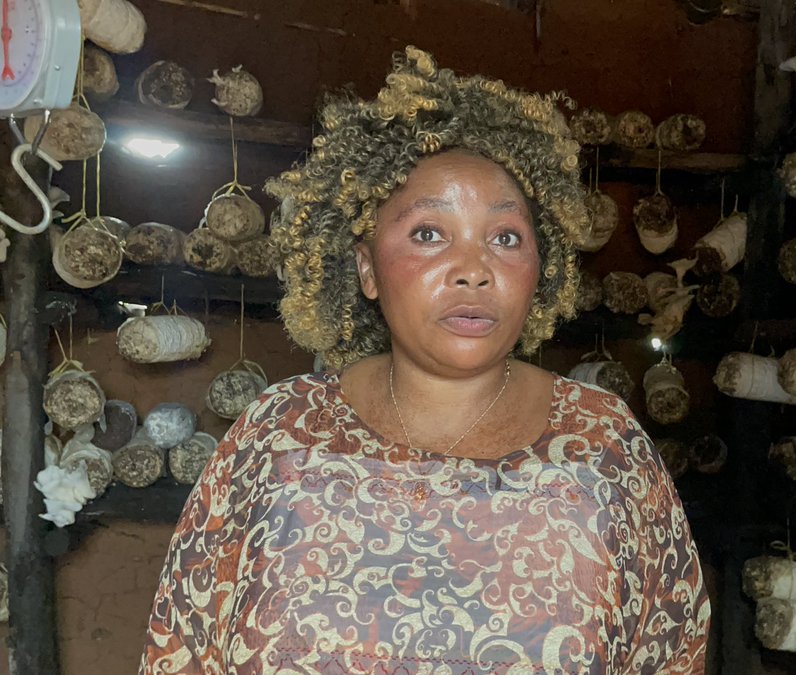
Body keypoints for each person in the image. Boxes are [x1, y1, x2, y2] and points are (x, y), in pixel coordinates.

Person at [140, 47, 710, 674]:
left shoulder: (603, 447)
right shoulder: (281, 437)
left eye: (506, 238)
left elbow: (671, 650)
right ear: (366, 268)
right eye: (429, 234)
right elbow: (183, 645)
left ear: (541, 269)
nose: (474, 270)